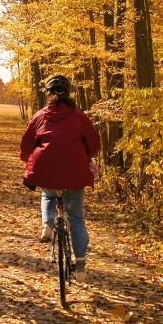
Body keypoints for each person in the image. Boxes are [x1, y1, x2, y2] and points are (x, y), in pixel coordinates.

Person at [20, 75, 100, 282]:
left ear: (49, 95)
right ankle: (80, 266)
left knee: (47, 191)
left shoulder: (40, 116)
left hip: (45, 168)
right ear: (69, 95)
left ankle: (47, 224)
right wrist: (88, 156)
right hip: (74, 172)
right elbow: (94, 144)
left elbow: (26, 145)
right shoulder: (79, 117)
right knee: (76, 219)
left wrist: (26, 159)